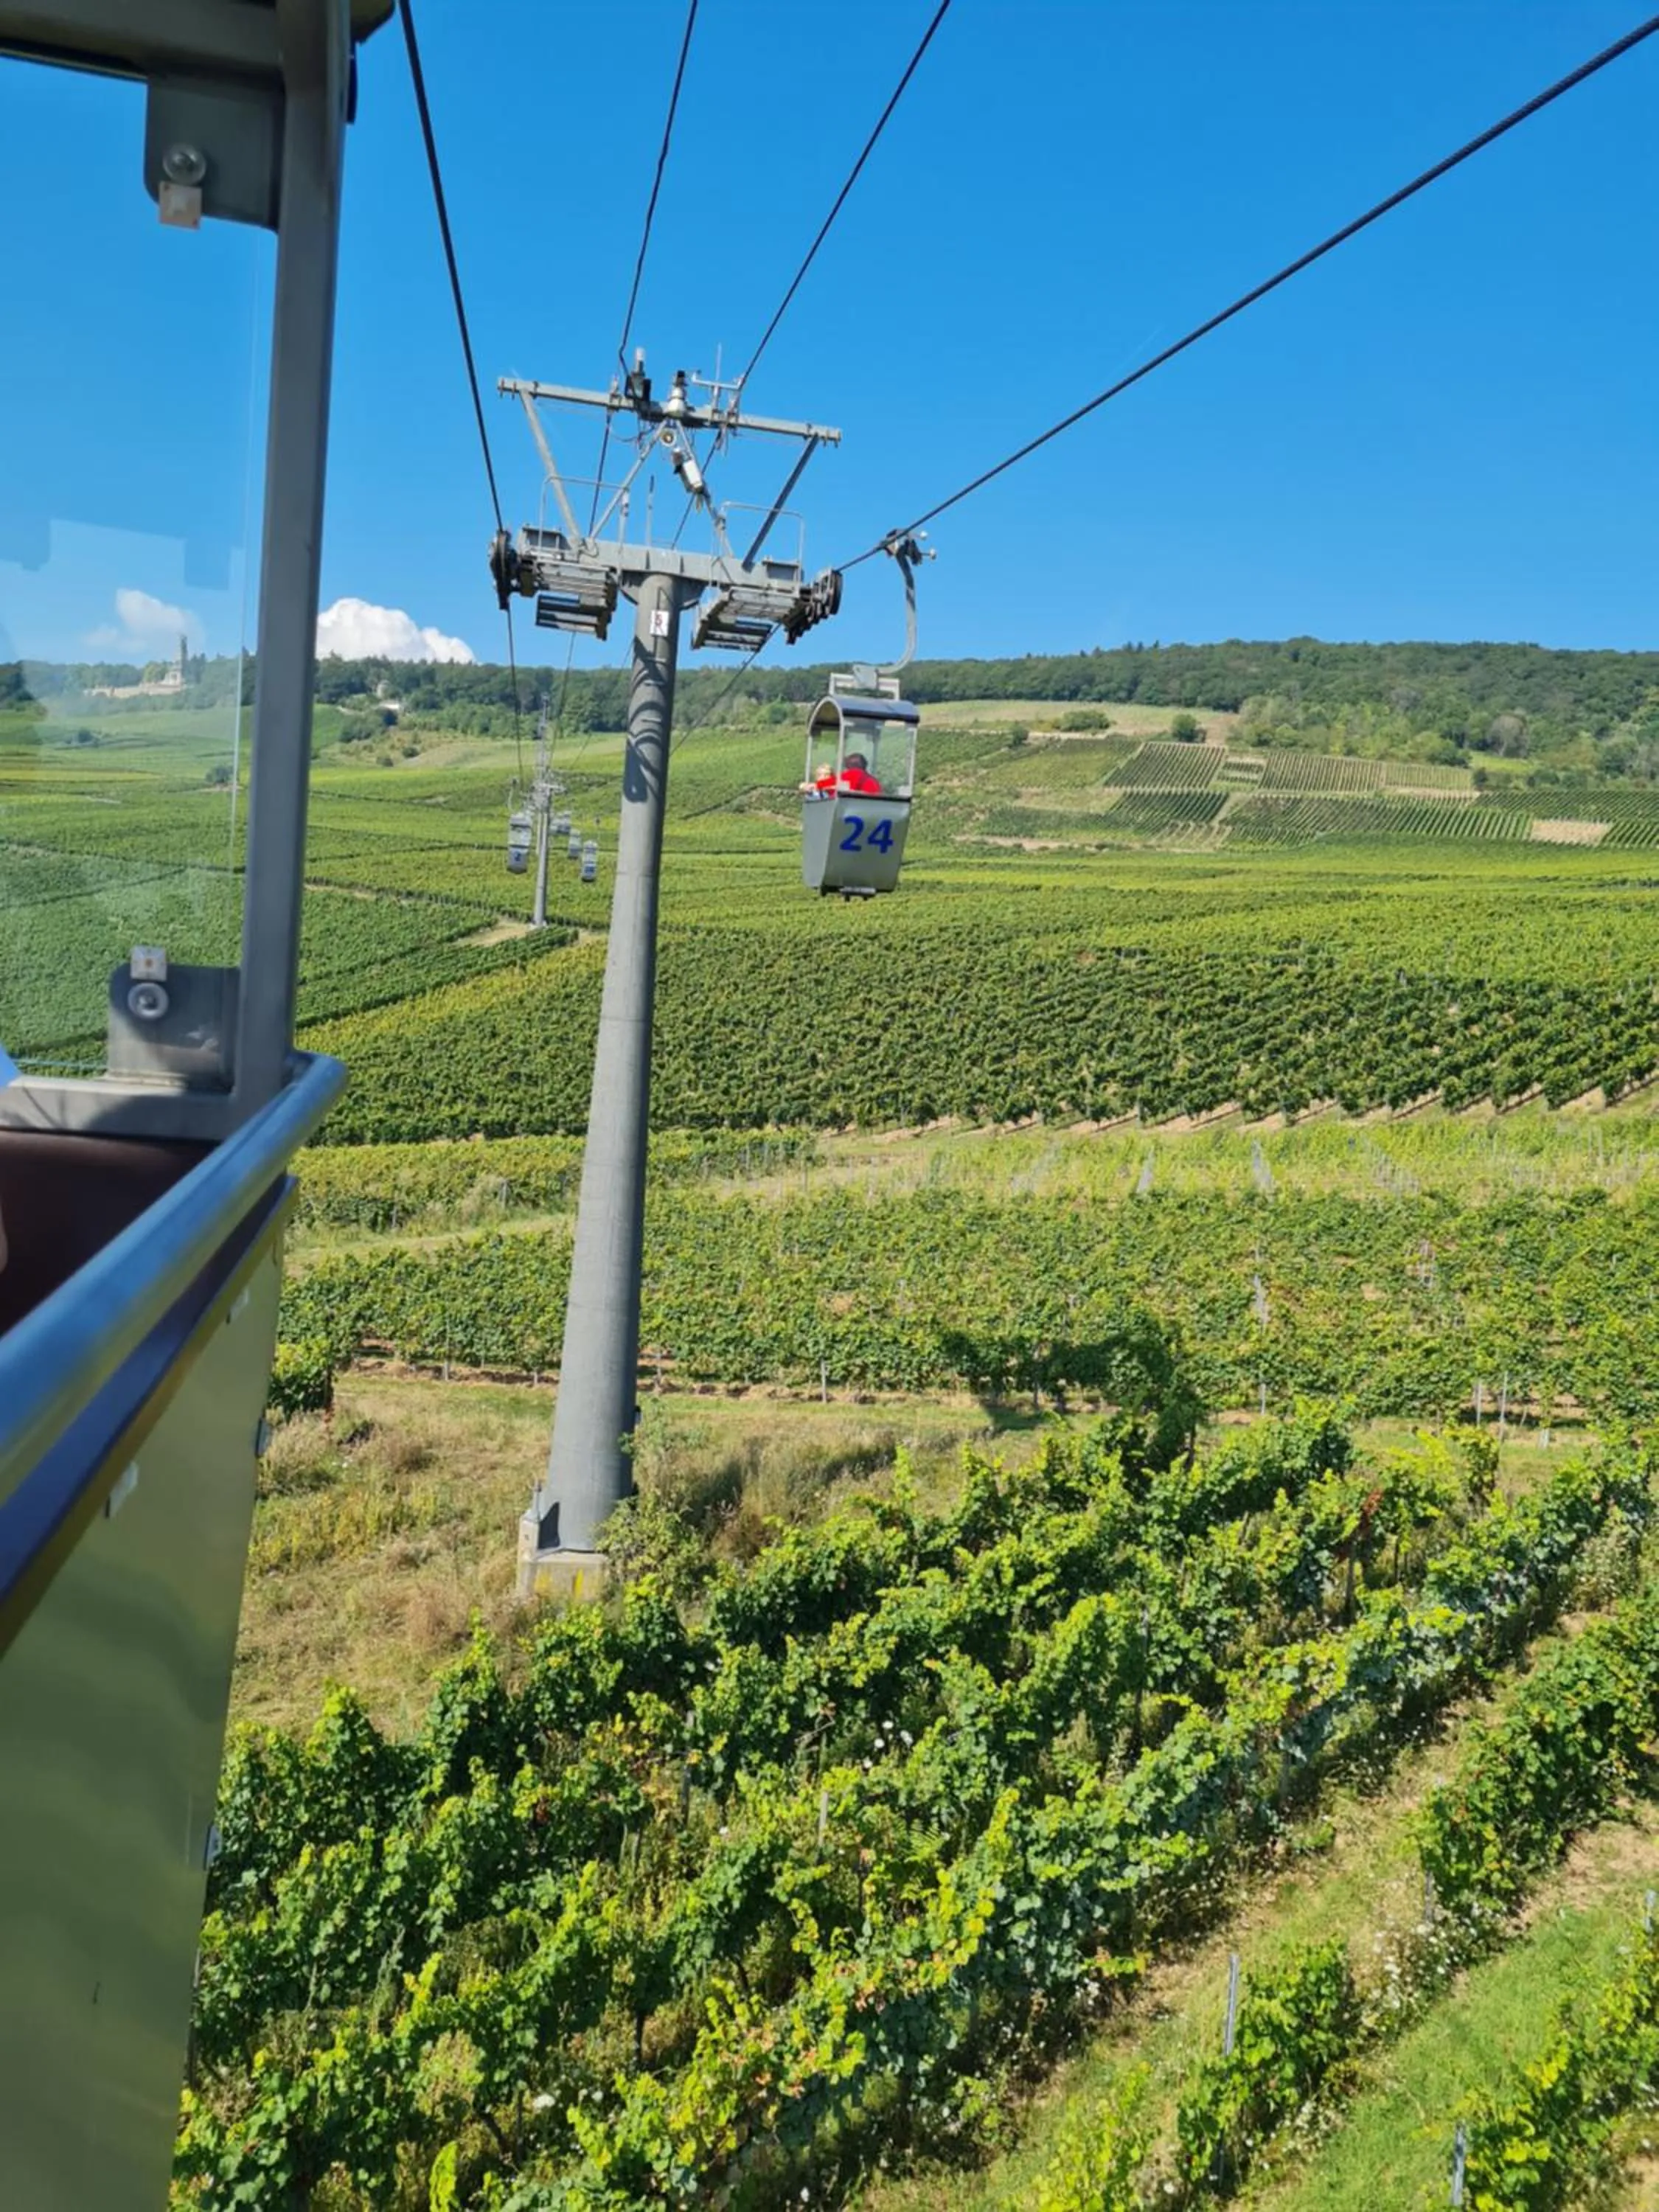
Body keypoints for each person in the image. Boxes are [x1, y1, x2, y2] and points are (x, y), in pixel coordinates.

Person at [808, 750, 883, 796]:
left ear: (851, 765)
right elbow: (844, 787)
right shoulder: (873, 780)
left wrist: (813, 786)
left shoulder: (854, 774)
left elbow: (833, 783)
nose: (846, 770)